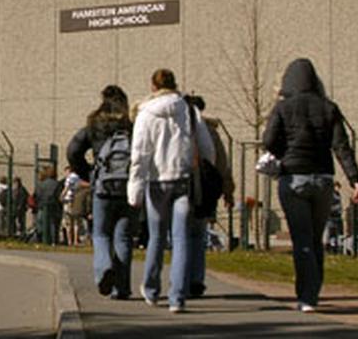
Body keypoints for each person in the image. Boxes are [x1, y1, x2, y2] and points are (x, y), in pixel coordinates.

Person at [263, 58, 358, 312]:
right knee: (316, 236)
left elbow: (268, 141)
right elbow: (342, 147)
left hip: (293, 178)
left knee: (302, 239)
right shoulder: (328, 108)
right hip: (323, 179)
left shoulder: (283, 108)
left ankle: (306, 296)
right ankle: (314, 289)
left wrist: (283, 153)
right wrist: (355, 179)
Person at [128, 69, 215, 313]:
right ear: (175, 84)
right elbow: (207, 147)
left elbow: (140, 153)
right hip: (182, 179)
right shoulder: (188, 109)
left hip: (157, 181)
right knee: (181, 238)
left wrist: (135, 186)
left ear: (153, 86)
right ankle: (177, 296)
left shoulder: (145, 113)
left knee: (156, 237)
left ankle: (152, 288)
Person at [68, 84, 136, 299]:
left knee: (100, 234)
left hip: (102, 187)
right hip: (128, 187)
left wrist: (88, 173)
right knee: (123, 238)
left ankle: (104, 269)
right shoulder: (131, 125)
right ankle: (122, 288)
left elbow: (73, 150)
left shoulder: (94, 124)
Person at [184, 95, 235, 299]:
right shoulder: (211, 131)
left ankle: (182, 279)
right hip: (206, 189)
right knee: (199, 234)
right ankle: (196, 278)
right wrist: (227, 190)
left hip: (183, 187)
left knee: (182, 234)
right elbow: (222, 163)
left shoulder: (179, 128)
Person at [35, 166, 60, 245]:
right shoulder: (56, 184)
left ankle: (42, 239)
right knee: (53, 223)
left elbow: (38, 195)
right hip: (53, 205)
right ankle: (53, 241)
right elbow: (58, 195)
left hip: (42, 205)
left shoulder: (41, 184)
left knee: (41, 223)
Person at [60, 165, 80, 247]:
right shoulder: (78, 177)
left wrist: (61, 196)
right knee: (76, 222)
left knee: (68, 222)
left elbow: (67, 187)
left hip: (68, 200)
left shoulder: (70, 178)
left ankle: (70, 241)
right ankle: (76, 240)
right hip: (76, 200)